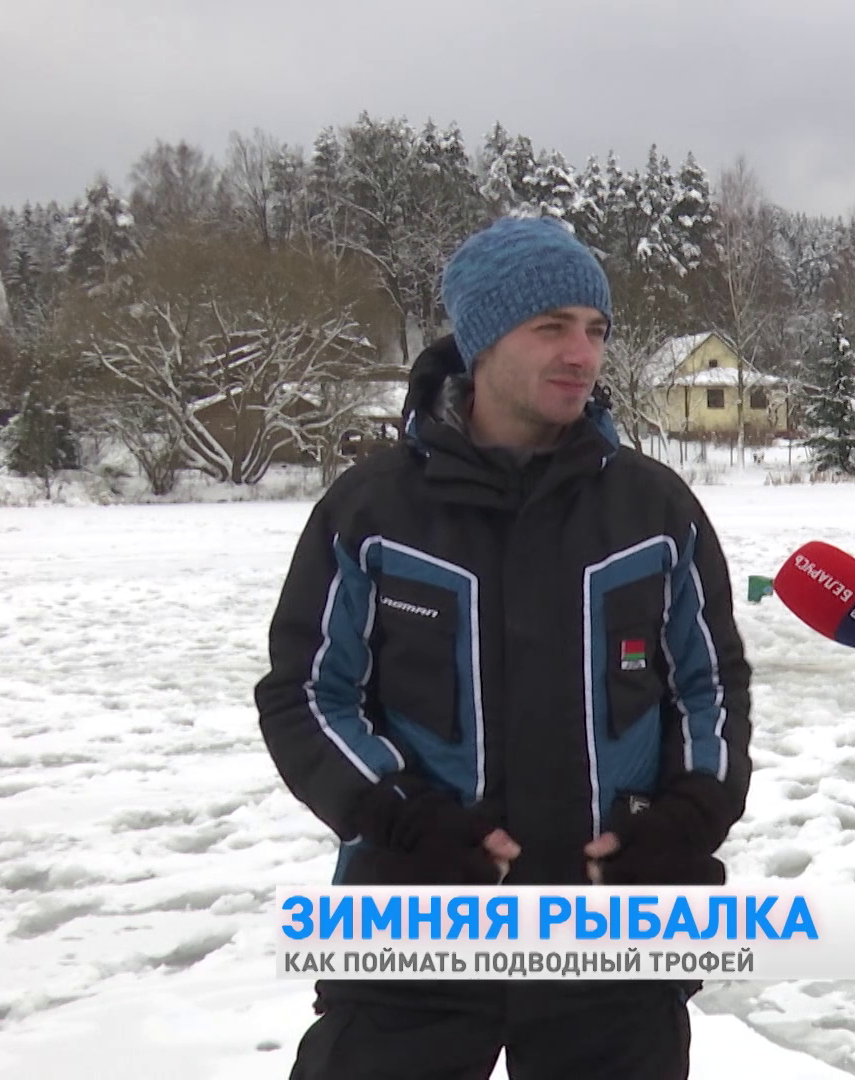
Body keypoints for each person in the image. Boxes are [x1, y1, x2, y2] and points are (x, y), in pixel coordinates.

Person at [255, 216, 752, 1080]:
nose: (582, 354)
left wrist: (686, 822)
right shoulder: (373, 512)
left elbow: (707, 689)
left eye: (596, 330)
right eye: (551, 327)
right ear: (481, 342)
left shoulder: (653, 511)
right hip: (414, 922)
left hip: (613, 926)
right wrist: (403, 825)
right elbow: (306, 694)